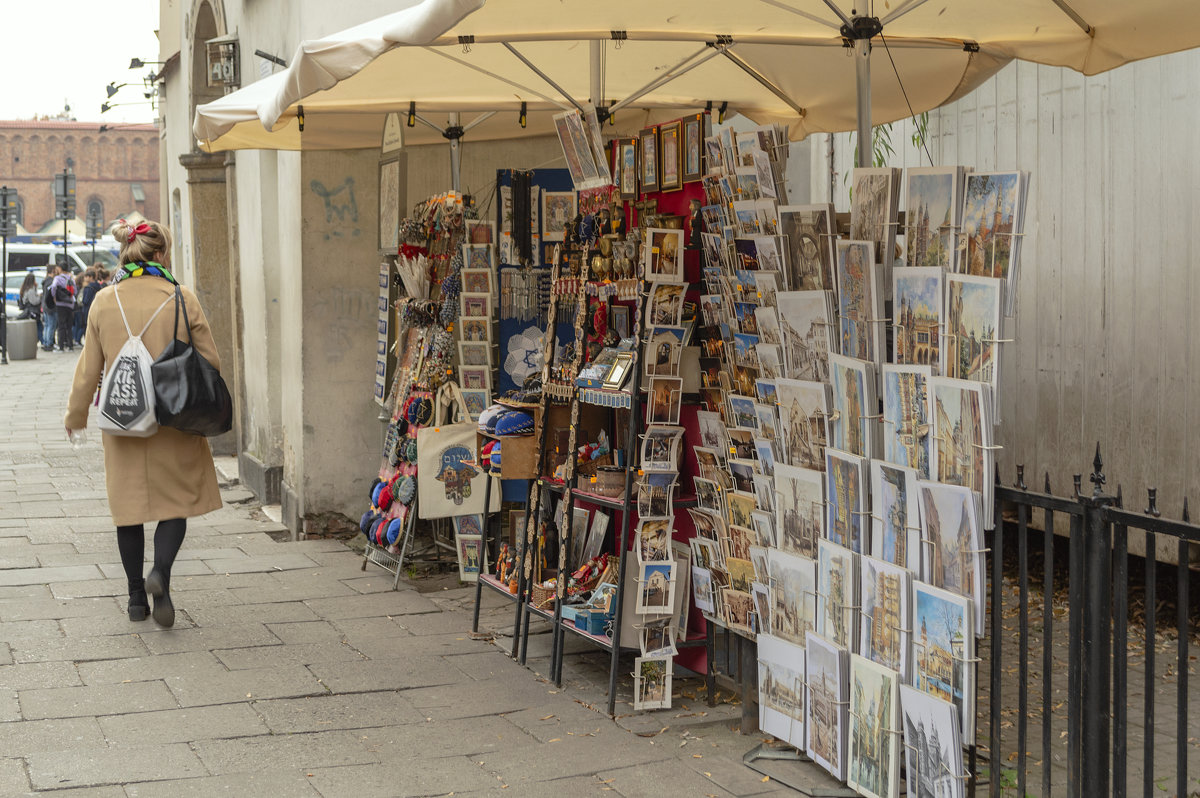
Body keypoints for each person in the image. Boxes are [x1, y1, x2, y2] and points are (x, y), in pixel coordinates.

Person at [65, 219, 222, 627]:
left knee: (128, 511)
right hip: (173, 419)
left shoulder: (103, 300)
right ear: (161, 254)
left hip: (123, 420)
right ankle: (161, 576)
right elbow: (211, 361)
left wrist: (76, 414)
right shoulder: (181, 297)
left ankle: (136, 599)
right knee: (176, 503)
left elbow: (89, 369)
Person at [49, 264, 76, 352]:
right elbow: (75, 290)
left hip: (61, 304)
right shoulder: (71, 278)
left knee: (61, 325)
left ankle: (61, 346)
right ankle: (70, 346)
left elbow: (53, 287)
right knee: (69, 325)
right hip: (70, 303)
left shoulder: (58, 278)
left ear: (60, 268)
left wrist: (54, 297)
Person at [80, 266, 105, 341]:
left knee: (86, 326)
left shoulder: (88, 288)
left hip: (87, 309)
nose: (85, 278)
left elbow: (85, 301)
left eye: (86, 276)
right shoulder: (99, 286)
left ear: (91, 277)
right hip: (96, 308)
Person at [18, 271, 43, 339]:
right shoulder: (31, 290)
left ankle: (40, 340)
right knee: (39, 327)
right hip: (32, 311)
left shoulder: (25, 288)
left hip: (29, 310)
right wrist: (40, 297)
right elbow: (34, 301)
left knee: (38, 327)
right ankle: (42, 341)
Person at [40, 266, 57, 351]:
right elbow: (51, 294)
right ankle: (49, 343)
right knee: (51, 325)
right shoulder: (51, 282)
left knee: (47, 325)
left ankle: (46, 342)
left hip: (45, 305)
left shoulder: (45, 281)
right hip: (50, 306)